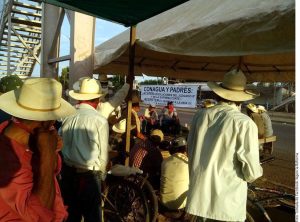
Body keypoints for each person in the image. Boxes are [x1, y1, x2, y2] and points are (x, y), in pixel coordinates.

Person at [186, 69, 263, 222]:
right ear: (242, 99)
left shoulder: (200, 116)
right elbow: (252, 173)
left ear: (218, 94)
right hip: (227, 204)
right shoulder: (244, 124)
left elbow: (191, 149)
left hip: (200, 199)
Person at [0, 78, 75, 221]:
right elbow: (38, 215)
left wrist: (51, 151)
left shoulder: (26, 138)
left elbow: (54, 170)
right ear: (47, 121)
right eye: (54, 120)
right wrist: (47, 154)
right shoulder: (8, 159)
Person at [60, 77, 109, 222]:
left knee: (71, 216)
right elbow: (103, 156)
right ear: (97, 100)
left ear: (79, 99)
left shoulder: (67, 116)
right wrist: (102, 176)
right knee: (92, 217)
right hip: (89, 177)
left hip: (68, 174)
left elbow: (60, 142)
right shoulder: (99, 120)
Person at [160, 137, 189, 210]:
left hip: (164, 202)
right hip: (181, 205)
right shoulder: (188, 163)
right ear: (185, 149)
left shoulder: (165, 162)